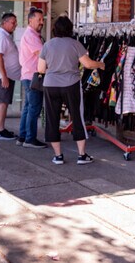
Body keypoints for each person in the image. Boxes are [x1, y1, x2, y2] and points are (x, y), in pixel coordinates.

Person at [38, 16, 105, 165]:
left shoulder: (47, 45)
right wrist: (100, 64)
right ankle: (81, 155)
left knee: (52, 118)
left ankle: (58, 156)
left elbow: (40, 69)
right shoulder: (75, 44)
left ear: (55, 29)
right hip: (71, 84)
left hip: (50, 86)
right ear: (70, 29)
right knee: (77, 117)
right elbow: (87, 64)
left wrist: (55, 68)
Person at [18, 7, 47, 148]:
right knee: (34, 108)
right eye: (39, 19)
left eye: (42, 19)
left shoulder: (32, 35)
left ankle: (23, 137)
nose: (42, 22)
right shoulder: (30, 35)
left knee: (28, 108)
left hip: (28, 75)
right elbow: (42, 54)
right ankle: (30, 139)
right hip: (33, 76)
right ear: (30, 20)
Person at [0, 12, 21, 141]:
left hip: (6, 75)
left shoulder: (4, 36)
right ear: (4, 23)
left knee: (0, 102)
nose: (15, 25)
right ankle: (0, 130)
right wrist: (4, 76)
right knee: (2, 102)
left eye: (15, 23)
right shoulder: (1, 37)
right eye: (13, 23)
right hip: (4, 75)